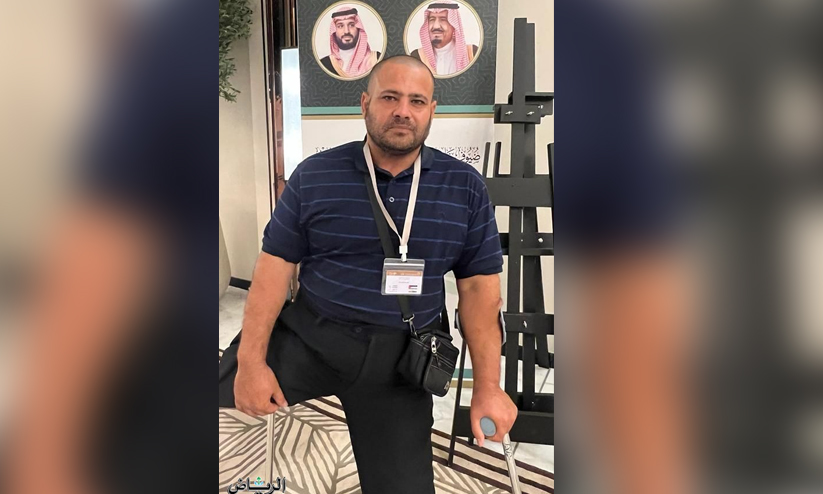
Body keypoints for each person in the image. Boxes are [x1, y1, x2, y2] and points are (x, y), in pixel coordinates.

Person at [223, 55, 517, 494]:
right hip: (312, 337)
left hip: (400, 359)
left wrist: (488, 386)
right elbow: (274, 266)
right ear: (365, 104)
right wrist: (251, 363)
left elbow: (479, 289)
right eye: (389, 97)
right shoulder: (315, 176)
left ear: (432, 110)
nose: (403, 111)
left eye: (417, 101)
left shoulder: (464, 187)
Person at [410, 1, 478, 76]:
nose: (436, 26)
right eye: (432, 19)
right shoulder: (416, 56)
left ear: (454, 25)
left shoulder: (472, 53)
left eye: (443, 19)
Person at [319, 6, 381, 78]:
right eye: (340, 26)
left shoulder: (376, 59)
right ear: (334, 31)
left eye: (351, 25)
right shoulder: (325, 63)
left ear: (359, 29)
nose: (346, 31)